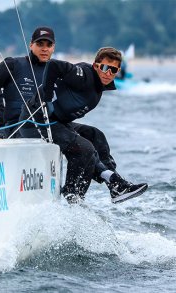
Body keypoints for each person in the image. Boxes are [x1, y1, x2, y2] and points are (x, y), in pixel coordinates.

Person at [18, 47, 148, 204]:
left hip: (58, 122)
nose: (108, 73)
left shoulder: (99, 86)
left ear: (117, 71)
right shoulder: (84, 75)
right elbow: (53, 65)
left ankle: (115, 184)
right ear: (96, 66)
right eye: (105, 68)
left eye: (113, 70)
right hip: (35, 121)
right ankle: (73, 196)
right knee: (84, 148)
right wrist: (46, 97)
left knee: (95, 136)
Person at [0, 26, 55, 137]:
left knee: (88, 134)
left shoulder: (58, 70)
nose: (44, 49)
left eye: (49, 45)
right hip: (18, 126)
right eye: (40, 44)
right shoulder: (12, 64)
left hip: (51, 126)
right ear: (31, 45)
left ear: (53, 48)